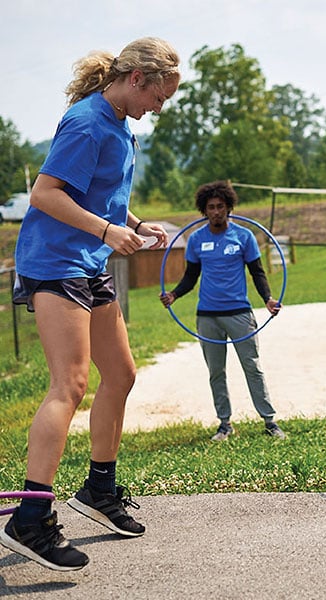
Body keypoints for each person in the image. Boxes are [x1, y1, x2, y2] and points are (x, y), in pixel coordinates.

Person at [0, 38, 180, 571]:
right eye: (159, 97)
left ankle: (98, 490)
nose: (158, 108)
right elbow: (47, 195)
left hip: (87, 261)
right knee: (70, 385)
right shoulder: (86, 123)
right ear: (138, 79)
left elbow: (98, 195)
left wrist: (133, 223)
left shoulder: (121, 126)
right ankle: (30, 518)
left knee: (121, 375)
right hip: (54, 262)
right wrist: (106, 228)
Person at [160, 180, 286, 442]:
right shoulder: (196, 240)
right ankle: (224, 424)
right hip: (207, 316)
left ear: (229, 208)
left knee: (252, 367)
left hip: (239, 313)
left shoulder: (244, 237)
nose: (216, 211)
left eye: (220, 206)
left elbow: (257, 272)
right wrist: (174, 294)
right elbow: (190, 277)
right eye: (211, 207)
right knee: (216, 371)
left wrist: (268, 299)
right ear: (204, 211)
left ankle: (269, 421)